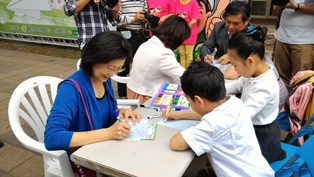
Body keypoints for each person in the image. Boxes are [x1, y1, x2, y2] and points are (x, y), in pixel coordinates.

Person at [44, 31, 142, 176]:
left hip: (106, 149)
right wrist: (108, 133)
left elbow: (104, 110)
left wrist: (119, 112)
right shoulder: (71, 89)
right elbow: (52, 137)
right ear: (95, 57)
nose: (113, 74)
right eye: (111, 68)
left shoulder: (104, 78)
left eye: (118, 69)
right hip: (86, 157)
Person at [169, 61, 274, 177]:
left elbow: (175, 143)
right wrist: (179, 114)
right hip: (259, 171)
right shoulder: (235, 103)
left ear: (198, 100)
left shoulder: (211, 125)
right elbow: (212, 115)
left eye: (189, 101)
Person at [225, 26, 286, 163]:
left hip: (262, 137)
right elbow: (237, 85)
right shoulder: (254, 72)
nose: (235, 69)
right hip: (252, 127)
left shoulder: (265, 86)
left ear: (250, 61)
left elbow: (242, 115)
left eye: (235, 65)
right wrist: (214, 90)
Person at [127, 15, 191, 104]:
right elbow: (186, 77)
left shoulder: (147, 44)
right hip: (146, 99)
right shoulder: (162, 54)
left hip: (134, 93)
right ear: (177, 38)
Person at [200, 1, 251, 79]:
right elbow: (206, 46)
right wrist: (206, 56)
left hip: (242, 75)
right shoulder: (218, 27)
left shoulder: (253, 33)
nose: (231, 26)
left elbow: (253, 55)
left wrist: (233, 56)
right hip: (219, 71)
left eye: (236, 24)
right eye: (228, 22)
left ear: (246, 21)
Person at [273, 0, 314, 90]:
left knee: (301, 80)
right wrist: (279, 6)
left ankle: (298, 103)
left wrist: (296, 7)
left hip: (304, 40)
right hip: (282, 36)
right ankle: (282, 102)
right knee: (280, 77)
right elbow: (276, 9)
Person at [116, 0, 150, 98]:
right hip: (126, 34)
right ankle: (122, 94)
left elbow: (145, 13)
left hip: (141, 34)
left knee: (141, 66)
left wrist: (145, 19)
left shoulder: (142, 0)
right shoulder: (121, 1)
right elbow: (116, 19)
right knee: (123, 65)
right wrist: (134, 18)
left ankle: (138, 93)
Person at [173, 0, 200, 68]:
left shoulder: (194, 3)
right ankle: (182, 73)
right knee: (182, 54)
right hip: (180, 33)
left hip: (190, 33)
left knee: (188, 54)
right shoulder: (177, 3)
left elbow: (194, 20)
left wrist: (185, 29)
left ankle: (188, 73)